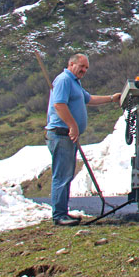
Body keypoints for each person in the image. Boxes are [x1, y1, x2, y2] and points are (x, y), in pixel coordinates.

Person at [46, 53, 121, 226]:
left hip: (68, 135)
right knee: (62, 175)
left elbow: (89, 99)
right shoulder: (64, 80)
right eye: (82, 66)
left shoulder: (74, 83)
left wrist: (111, 98)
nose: (84, 70)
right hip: (61, 134)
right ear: (71, 64)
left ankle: (62, 213)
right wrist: (72, 125)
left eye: (86, 68)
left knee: (66, 174)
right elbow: (59, 104)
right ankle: (59, 216)